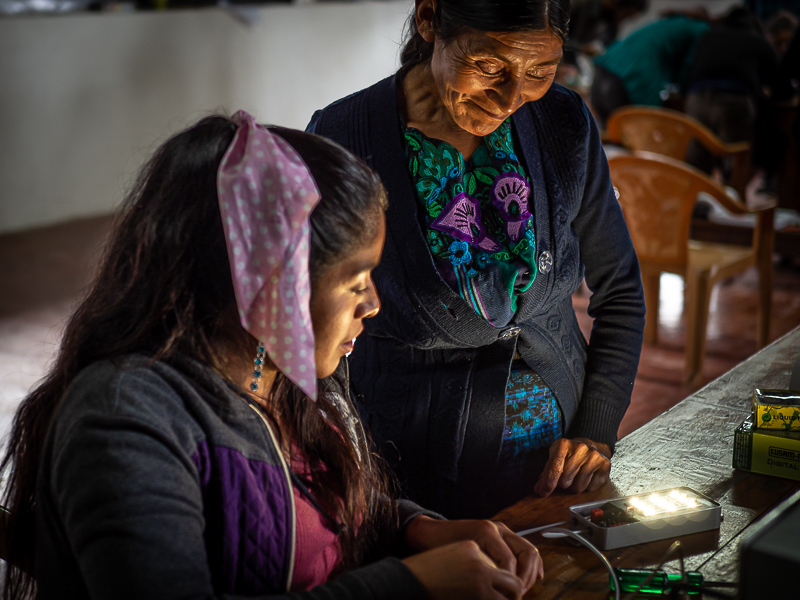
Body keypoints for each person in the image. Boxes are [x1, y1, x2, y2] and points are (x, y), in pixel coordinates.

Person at [0, 113, 545, 600]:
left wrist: (413, 528)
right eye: (355, 282)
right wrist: (411, 585)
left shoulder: (281, 379)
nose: (373, 305)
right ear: (271, 283)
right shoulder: (124, 420)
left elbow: (322, 517)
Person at [308, 0, 646, 519]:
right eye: (489, 66)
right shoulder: (343, 136)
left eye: (539, 72)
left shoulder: (562, 122)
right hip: (408, 479)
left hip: (559, 480)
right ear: (429, 20)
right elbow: (313, 323)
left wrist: (596, 430)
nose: (513, 97)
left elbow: (619, 288)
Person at [684, 7, 791, 183]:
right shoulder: (756, 40)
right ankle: (733, 207)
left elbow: (688, 70)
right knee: (735, 163)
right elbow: (781, 85)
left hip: (696, 99)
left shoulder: (708, 36)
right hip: (733, 101)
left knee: (697, 160)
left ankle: (696, 207)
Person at [590, 14, 710, 126]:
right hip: (632, 75)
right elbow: (689, 66)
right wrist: (685, 94)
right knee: (643, 128)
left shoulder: (674, 23)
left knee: (608, 134)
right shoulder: (702, 30)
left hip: (605, 69)